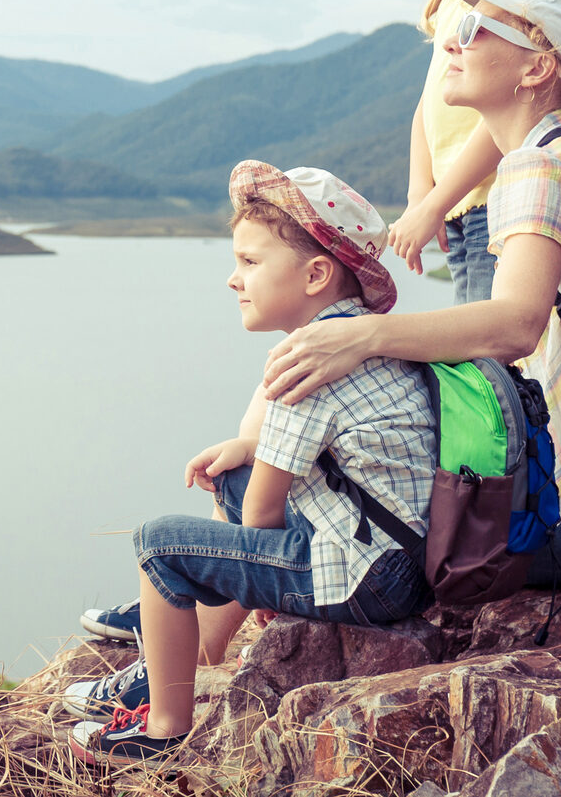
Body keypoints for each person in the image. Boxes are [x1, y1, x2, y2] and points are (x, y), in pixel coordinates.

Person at [263, 0, 561, 587]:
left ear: (537, 67)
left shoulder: (539, 168)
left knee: (316, 499)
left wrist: (362, 337)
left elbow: (516, 325)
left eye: (481, 27)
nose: (455, 40)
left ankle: (181, 637)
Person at [67, 163, 435, 764]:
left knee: (160, 545)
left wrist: (240, 575)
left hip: (365, 575)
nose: (233, 280)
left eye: (250, 263)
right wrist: (247, 454)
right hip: (404, 557)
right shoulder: (372, 338)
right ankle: (182, 659)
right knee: (236, 476)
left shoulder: (306, 361)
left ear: (316, 274)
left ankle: (161, 729)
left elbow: (263, 514)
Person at [386, 0, 546, 303]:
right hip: (457, 206)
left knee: (488, 357)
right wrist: (421, 194)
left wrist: (436, 202)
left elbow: (509, 115)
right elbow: (429, 102)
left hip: (494, 202)